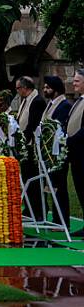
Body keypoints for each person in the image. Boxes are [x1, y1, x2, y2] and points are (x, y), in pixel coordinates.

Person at [15, 76, 47, 222]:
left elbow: (32, 124)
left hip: (32, 146)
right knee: (27, 177)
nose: (17, 91)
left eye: (18, 88)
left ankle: (39, 210)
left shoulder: (37, 101)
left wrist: (22, 141)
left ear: (25, 88)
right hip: (25, 145)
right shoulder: (26, 100)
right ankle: (30, 208)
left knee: (33, 179)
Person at [44, 75, 74, 229]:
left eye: (48, 87)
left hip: (58, 153)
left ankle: (62, 219)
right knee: (52, 186)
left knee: (59, 186)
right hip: (49, 152)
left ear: (55, 89)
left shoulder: (64, 105)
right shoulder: (51, 104)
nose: (45, 90)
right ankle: (56, 217)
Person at [62, 69, 84, 237]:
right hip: (75, 152)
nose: (73, 83)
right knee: (79, 187)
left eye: (77, 81)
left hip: (81, 151)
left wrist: (70, 140)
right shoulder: (78, 101)